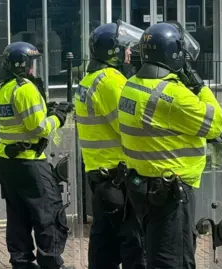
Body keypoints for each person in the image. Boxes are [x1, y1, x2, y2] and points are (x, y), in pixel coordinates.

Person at [118, 21, 222, 269]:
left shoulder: (131, 85)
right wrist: (198, 84)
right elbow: (217, 122)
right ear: (173, 53)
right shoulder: (173, 95)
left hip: (141, 185)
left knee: (151, 254)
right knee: (173, 260)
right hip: (170, 190)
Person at [0, 41, 72, 269]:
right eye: (32, 63)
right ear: (22, 64)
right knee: (49, 213)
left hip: (8, 161)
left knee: (18, 216)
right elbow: (37, 127)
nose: (34, 68)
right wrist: (58, 117)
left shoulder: (2, 89)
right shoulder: (25, 88)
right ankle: (51, 262)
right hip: (29, 161)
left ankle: (22, 262)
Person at [75, 22, 146, 269]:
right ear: (112, 51)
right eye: (125, 48)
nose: (129, 53)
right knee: (133, 244)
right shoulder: (111, 80)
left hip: (100, 174)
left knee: (103, 245)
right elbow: (128, 126)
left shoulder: (89, 79)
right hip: (118, 177)